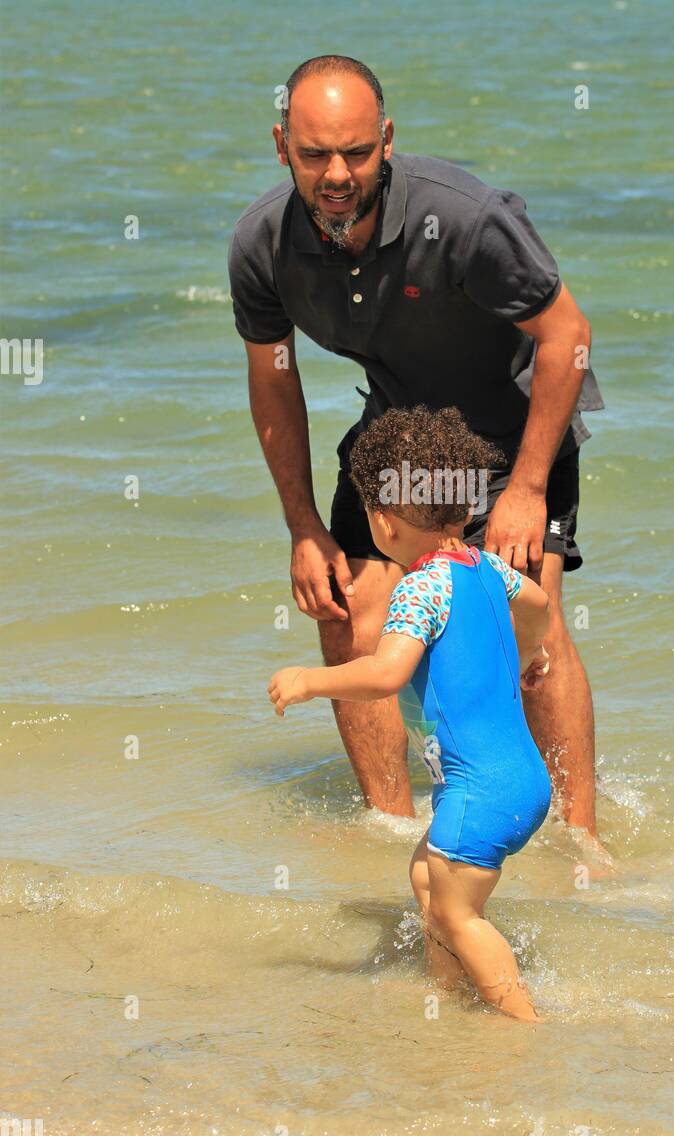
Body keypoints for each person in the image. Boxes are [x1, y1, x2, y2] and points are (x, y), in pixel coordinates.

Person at [229, 53, 604, 836]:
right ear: (280, 145)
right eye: (314, 153)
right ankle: (396, 832)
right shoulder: (263, 245)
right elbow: (273, 379)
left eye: (357, 152)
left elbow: (565, 337)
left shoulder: (468, 219)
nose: (337, 173)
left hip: (512, 435)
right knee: (343, 612)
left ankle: (580, 840)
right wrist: (302, 526)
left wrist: (529, 487)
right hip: (400, 436)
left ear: (387, 140)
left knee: (529, 637)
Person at [268, 406, 553, 1021]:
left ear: (382, 523)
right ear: (469, 508)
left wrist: (311, 681)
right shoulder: (486, 568)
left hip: (478, 791)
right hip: (522, 781)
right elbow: (537, 601)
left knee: (458, 912)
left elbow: (385, 673)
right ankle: (447, 998)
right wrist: (532, 653)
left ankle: (525, 1026)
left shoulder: (419, 587)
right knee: (427, 877)